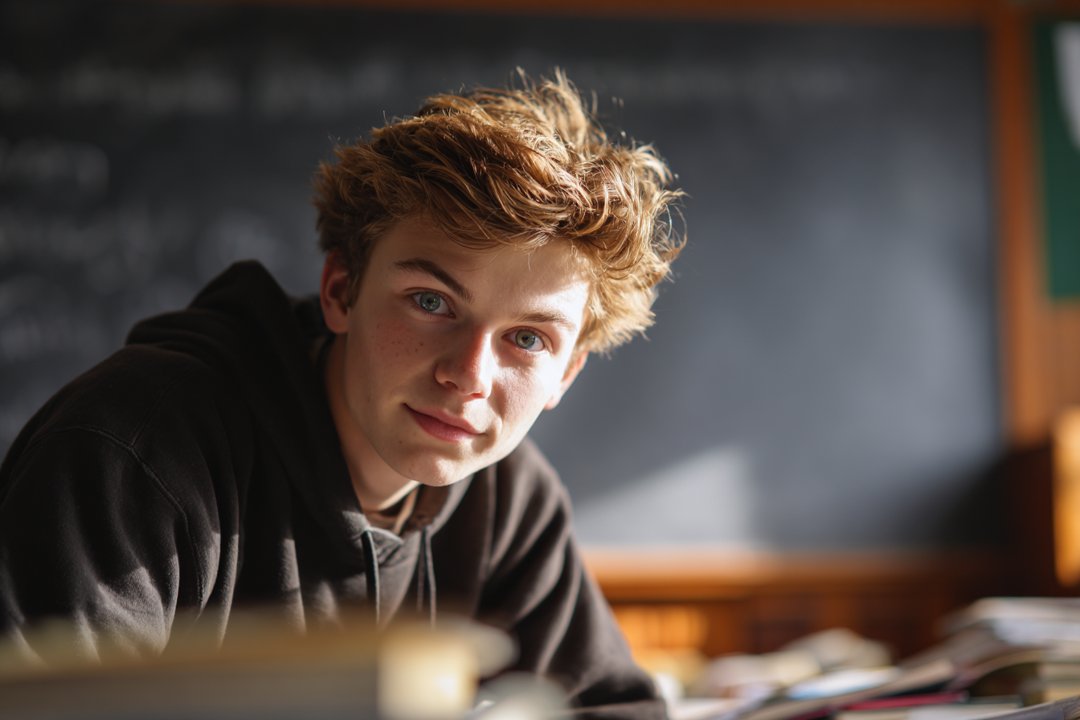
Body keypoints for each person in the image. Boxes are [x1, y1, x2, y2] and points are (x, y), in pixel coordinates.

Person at [0, 70, 684, 717]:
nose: (469, 375)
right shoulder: (135, 451)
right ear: (340, 291)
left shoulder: (507, 499)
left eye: (528, 339)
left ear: (566, 372)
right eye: (431, 301)